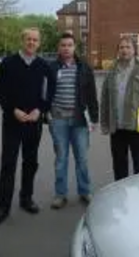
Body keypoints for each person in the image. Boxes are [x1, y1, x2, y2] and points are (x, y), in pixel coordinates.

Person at [0, 27, 52, 227]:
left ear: (39, 43)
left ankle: (26, 198)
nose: (31, 43)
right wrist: (12, 109)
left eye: (35, 40)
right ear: (22, 41)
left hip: (33, 123)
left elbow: (49, 92)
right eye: (28, 39)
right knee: (8, 164)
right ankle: (2, 207)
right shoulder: (8, 63)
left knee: (30, 162)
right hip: (12, 122)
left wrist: (39, 110)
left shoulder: (44, 66)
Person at [47, 32, 98, 209]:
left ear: (74, 47)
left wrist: (95, 118)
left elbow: (92, 95)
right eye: (63, 45)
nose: (66, 48)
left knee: (82, 159)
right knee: (61, 159)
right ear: (59, 48)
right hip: (58, 120)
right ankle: (60, 194)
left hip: (80, 121)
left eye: (69, 45)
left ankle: (84, 191)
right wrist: (47, 114)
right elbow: (45, 93)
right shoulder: (52, 68)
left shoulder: (84, 67)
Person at [100, 35, 139, 181]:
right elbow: (105, 98)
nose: (124, 50)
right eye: (121, 47)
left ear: (134, 50)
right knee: (119, 164)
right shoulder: (111, 71)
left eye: (128, 47)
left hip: (137, 125)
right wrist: (105, 123)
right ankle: (121, 195)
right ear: (118, 50)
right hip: (117, 126)